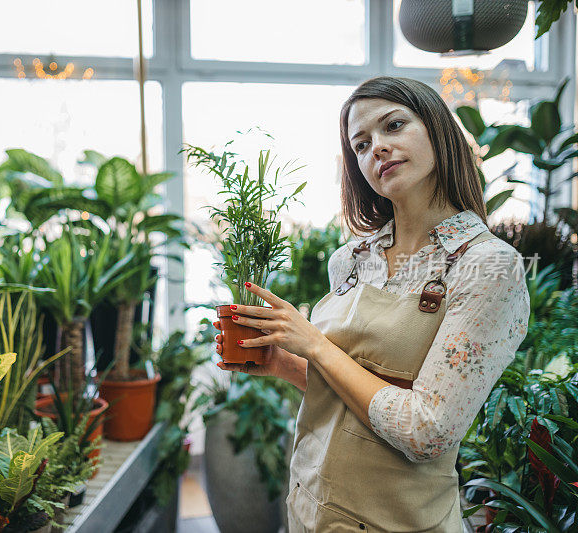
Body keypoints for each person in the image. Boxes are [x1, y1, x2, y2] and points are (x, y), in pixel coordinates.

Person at [213, 76, 530, 532]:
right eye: (360, 144)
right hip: (309, 507)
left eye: (394, 126)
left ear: (438, 130)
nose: (376, 148)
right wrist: (285, 363)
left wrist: (315, 344)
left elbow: (426, 431)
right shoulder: (352, 260)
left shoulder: (488, 267)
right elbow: (356, 396)